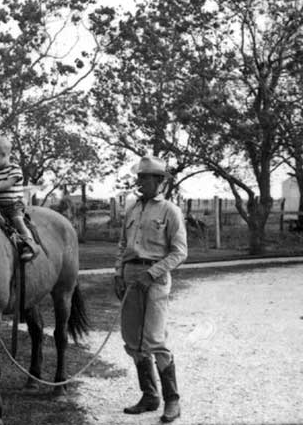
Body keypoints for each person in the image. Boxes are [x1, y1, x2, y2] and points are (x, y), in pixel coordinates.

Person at [114, 155, 187, 423]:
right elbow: (122, 245)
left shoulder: (170, 211)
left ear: (159, 181)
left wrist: (152, 273)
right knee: (133, 341)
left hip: (155, 278)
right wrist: (118, 273)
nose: (140, 181)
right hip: (131, 276)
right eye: (139, 176)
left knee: (155, 339)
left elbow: (180, 252)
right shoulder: (132, 209)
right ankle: (149, 396)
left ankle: (172, 401)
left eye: (146, 177)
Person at [0, 134, 38, 261]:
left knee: (18, 221)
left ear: (3, 155)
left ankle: (29, 244)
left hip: (14, 204)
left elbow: (7, 183)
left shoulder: (14, 169)